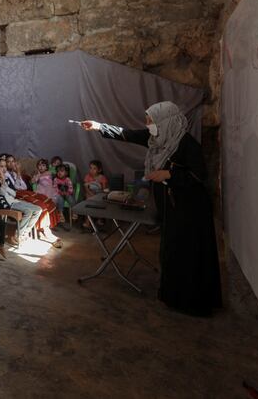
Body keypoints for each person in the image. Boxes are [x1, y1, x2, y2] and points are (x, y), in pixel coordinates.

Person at [81, 101, 222, 316]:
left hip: (190, 210)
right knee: (171, 251)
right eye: (147, 122)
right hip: (172, 208)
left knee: (186, 253)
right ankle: (172, 296)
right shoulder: (157, 140)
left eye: (151, 121)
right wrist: (98, 126)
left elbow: (199, 175)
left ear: (166, 122)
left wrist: (168, 175)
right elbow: (126, 134)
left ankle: (191, 303)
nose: (148, 126)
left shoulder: (186, 143)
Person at [6, 155, 62, 248]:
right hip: (16, 194)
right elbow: (15, 187)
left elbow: (23, 186)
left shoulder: (15, 174)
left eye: (13, 161)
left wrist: (18, 173)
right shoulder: (6, 174)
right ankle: (46, 232)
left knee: (48, 202)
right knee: (41, 205)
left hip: (23, 191)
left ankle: (45, 229)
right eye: (8, 162)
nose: (11, 164)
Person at [0, 158, 41, 244]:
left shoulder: (6, 179)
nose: (4, 168)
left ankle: (24, 233)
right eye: (1, 166)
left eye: (5, 166)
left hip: (14, 201)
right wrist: (3, 183)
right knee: (28, 211)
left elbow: (14, 193)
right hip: (5, 204)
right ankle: (17, 235)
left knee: (38, 209)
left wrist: (5, 184)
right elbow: (1, 193)